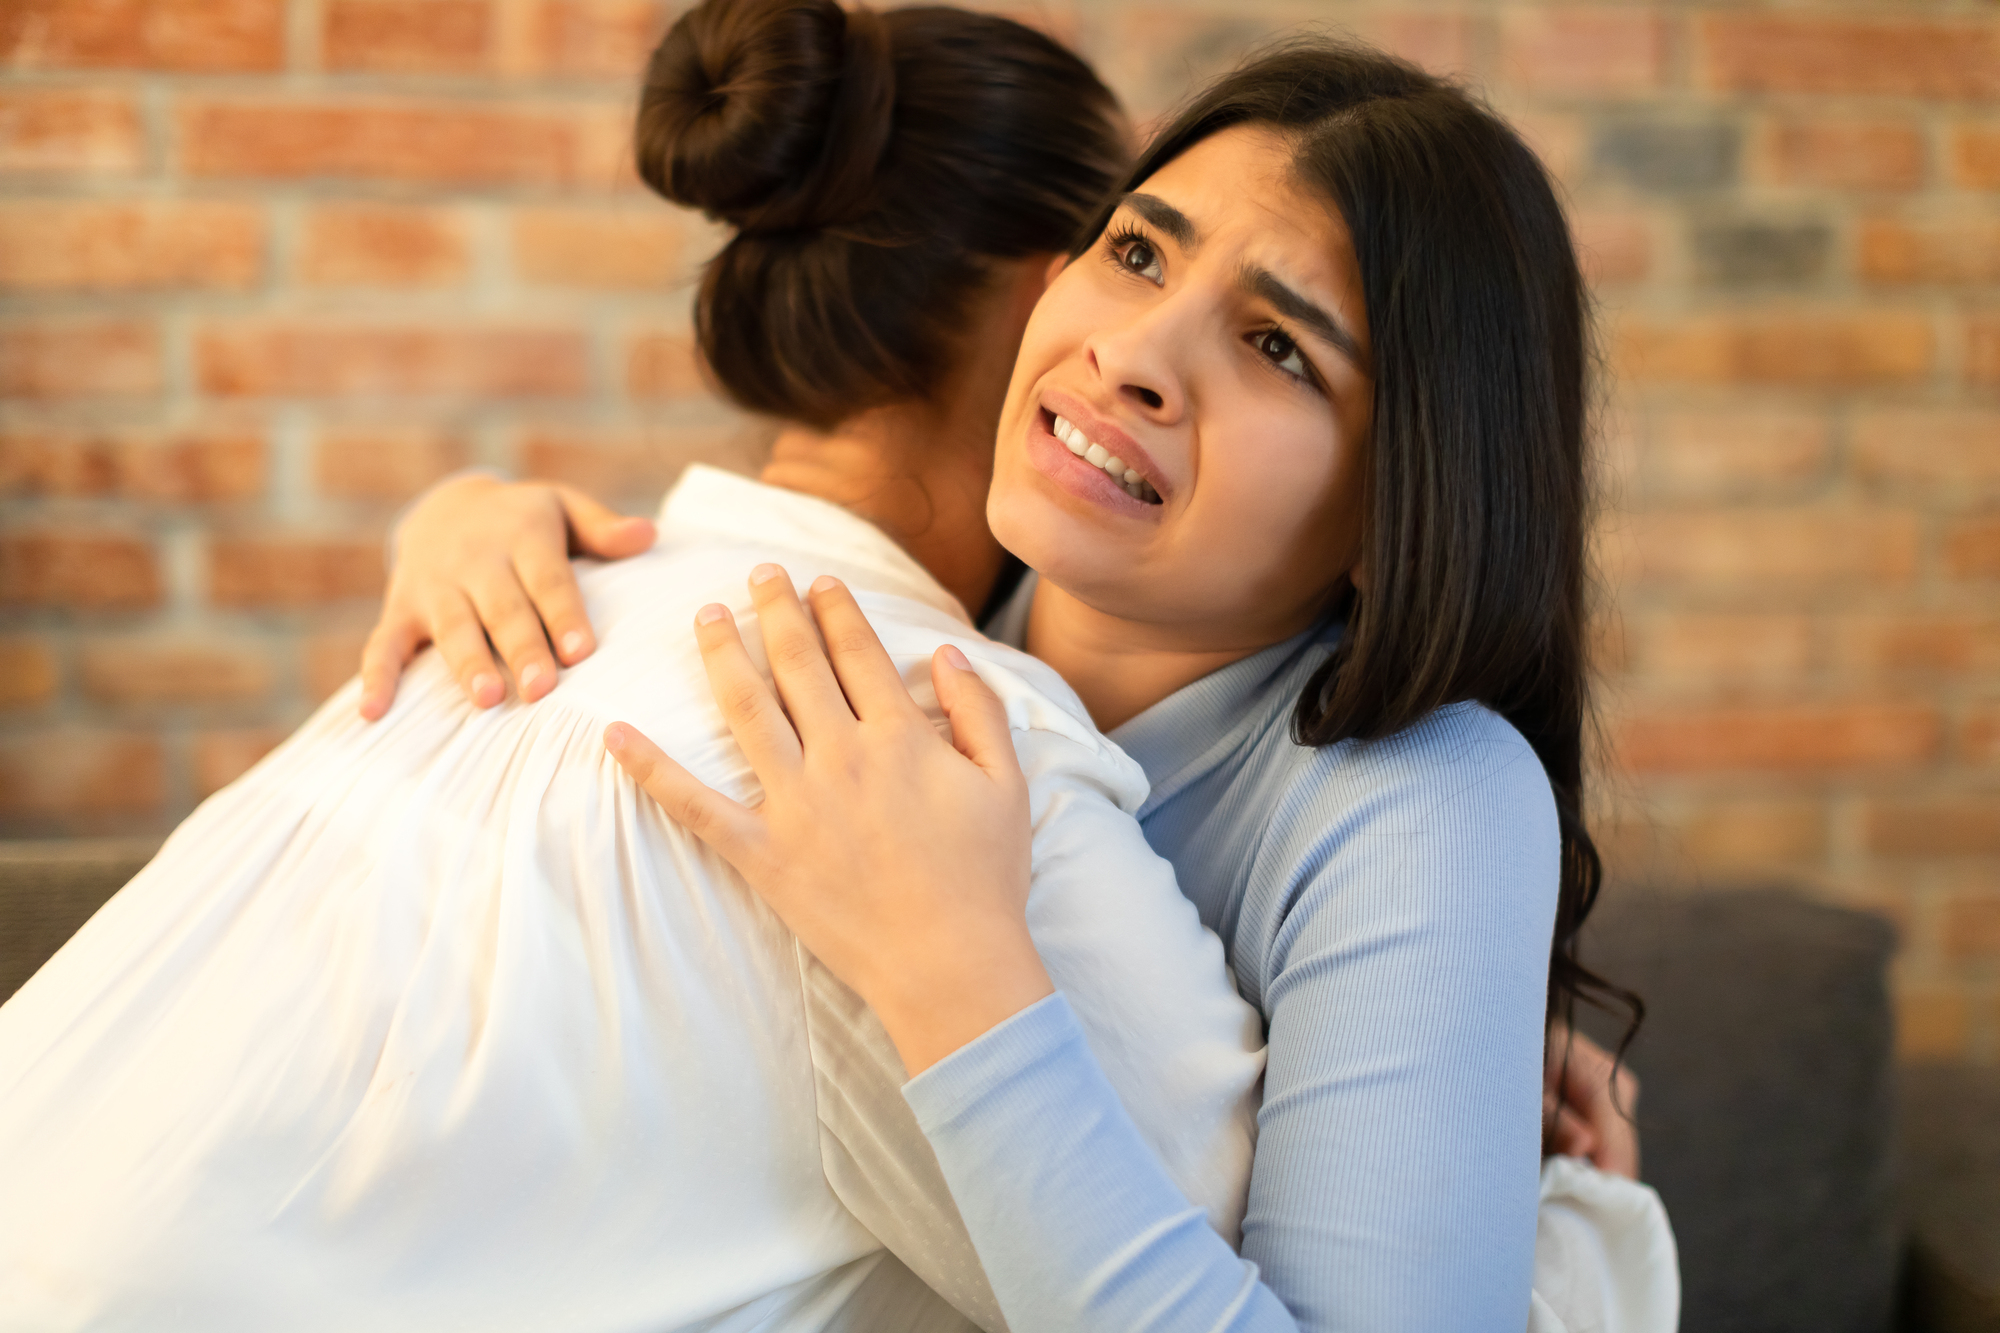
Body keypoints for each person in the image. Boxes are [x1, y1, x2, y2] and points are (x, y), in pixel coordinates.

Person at [369, 31, 1673, 1333]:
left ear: (1407, 501)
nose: (1134, 352)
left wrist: (955, 971)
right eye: (1138, 251)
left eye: (1279, 346)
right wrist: (470, 524)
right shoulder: (916, 624)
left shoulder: (1418, 794)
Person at [0, 6, 1273, 1330]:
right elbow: (1230, 1252)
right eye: (1130, 259)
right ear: (1042, 300)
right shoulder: (933, 743)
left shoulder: (521, 608)